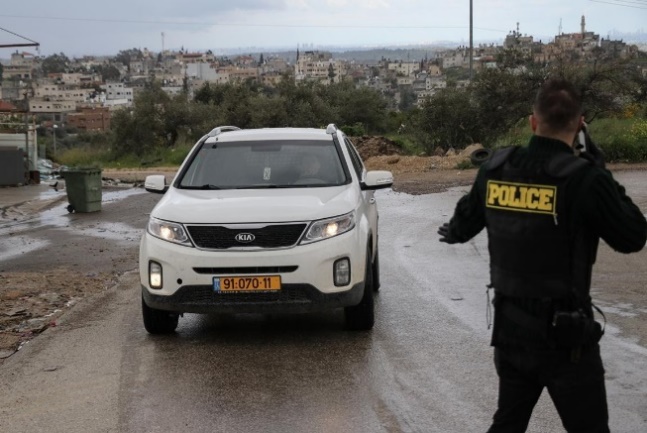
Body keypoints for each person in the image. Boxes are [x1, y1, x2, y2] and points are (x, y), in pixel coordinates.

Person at [437, 78, 647, 432]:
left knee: (507, 423)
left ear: (533, 122)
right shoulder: (586, 179)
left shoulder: (496, 168)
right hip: (566, 341)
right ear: (580, 124)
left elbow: (459, 229)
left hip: (511, 333)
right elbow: (634, 236)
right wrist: (601, 170)